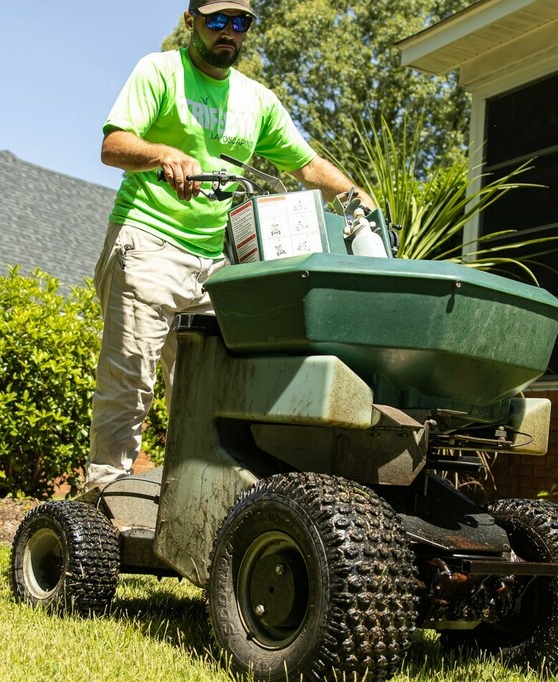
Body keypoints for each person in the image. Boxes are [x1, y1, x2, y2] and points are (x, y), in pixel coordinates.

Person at [84, 0, 376, 492]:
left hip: (211, 266)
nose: (228, 32)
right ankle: (102, 498)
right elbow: (113, 146)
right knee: (132, 382)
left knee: (206, 392)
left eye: (239, 23)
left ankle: (188, 501)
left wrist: (352, 194)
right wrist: (161, 153)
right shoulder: (160, 71)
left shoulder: (256, 100)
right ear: (190, 21)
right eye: (216, 20)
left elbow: (304, 165)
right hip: (147, 243)